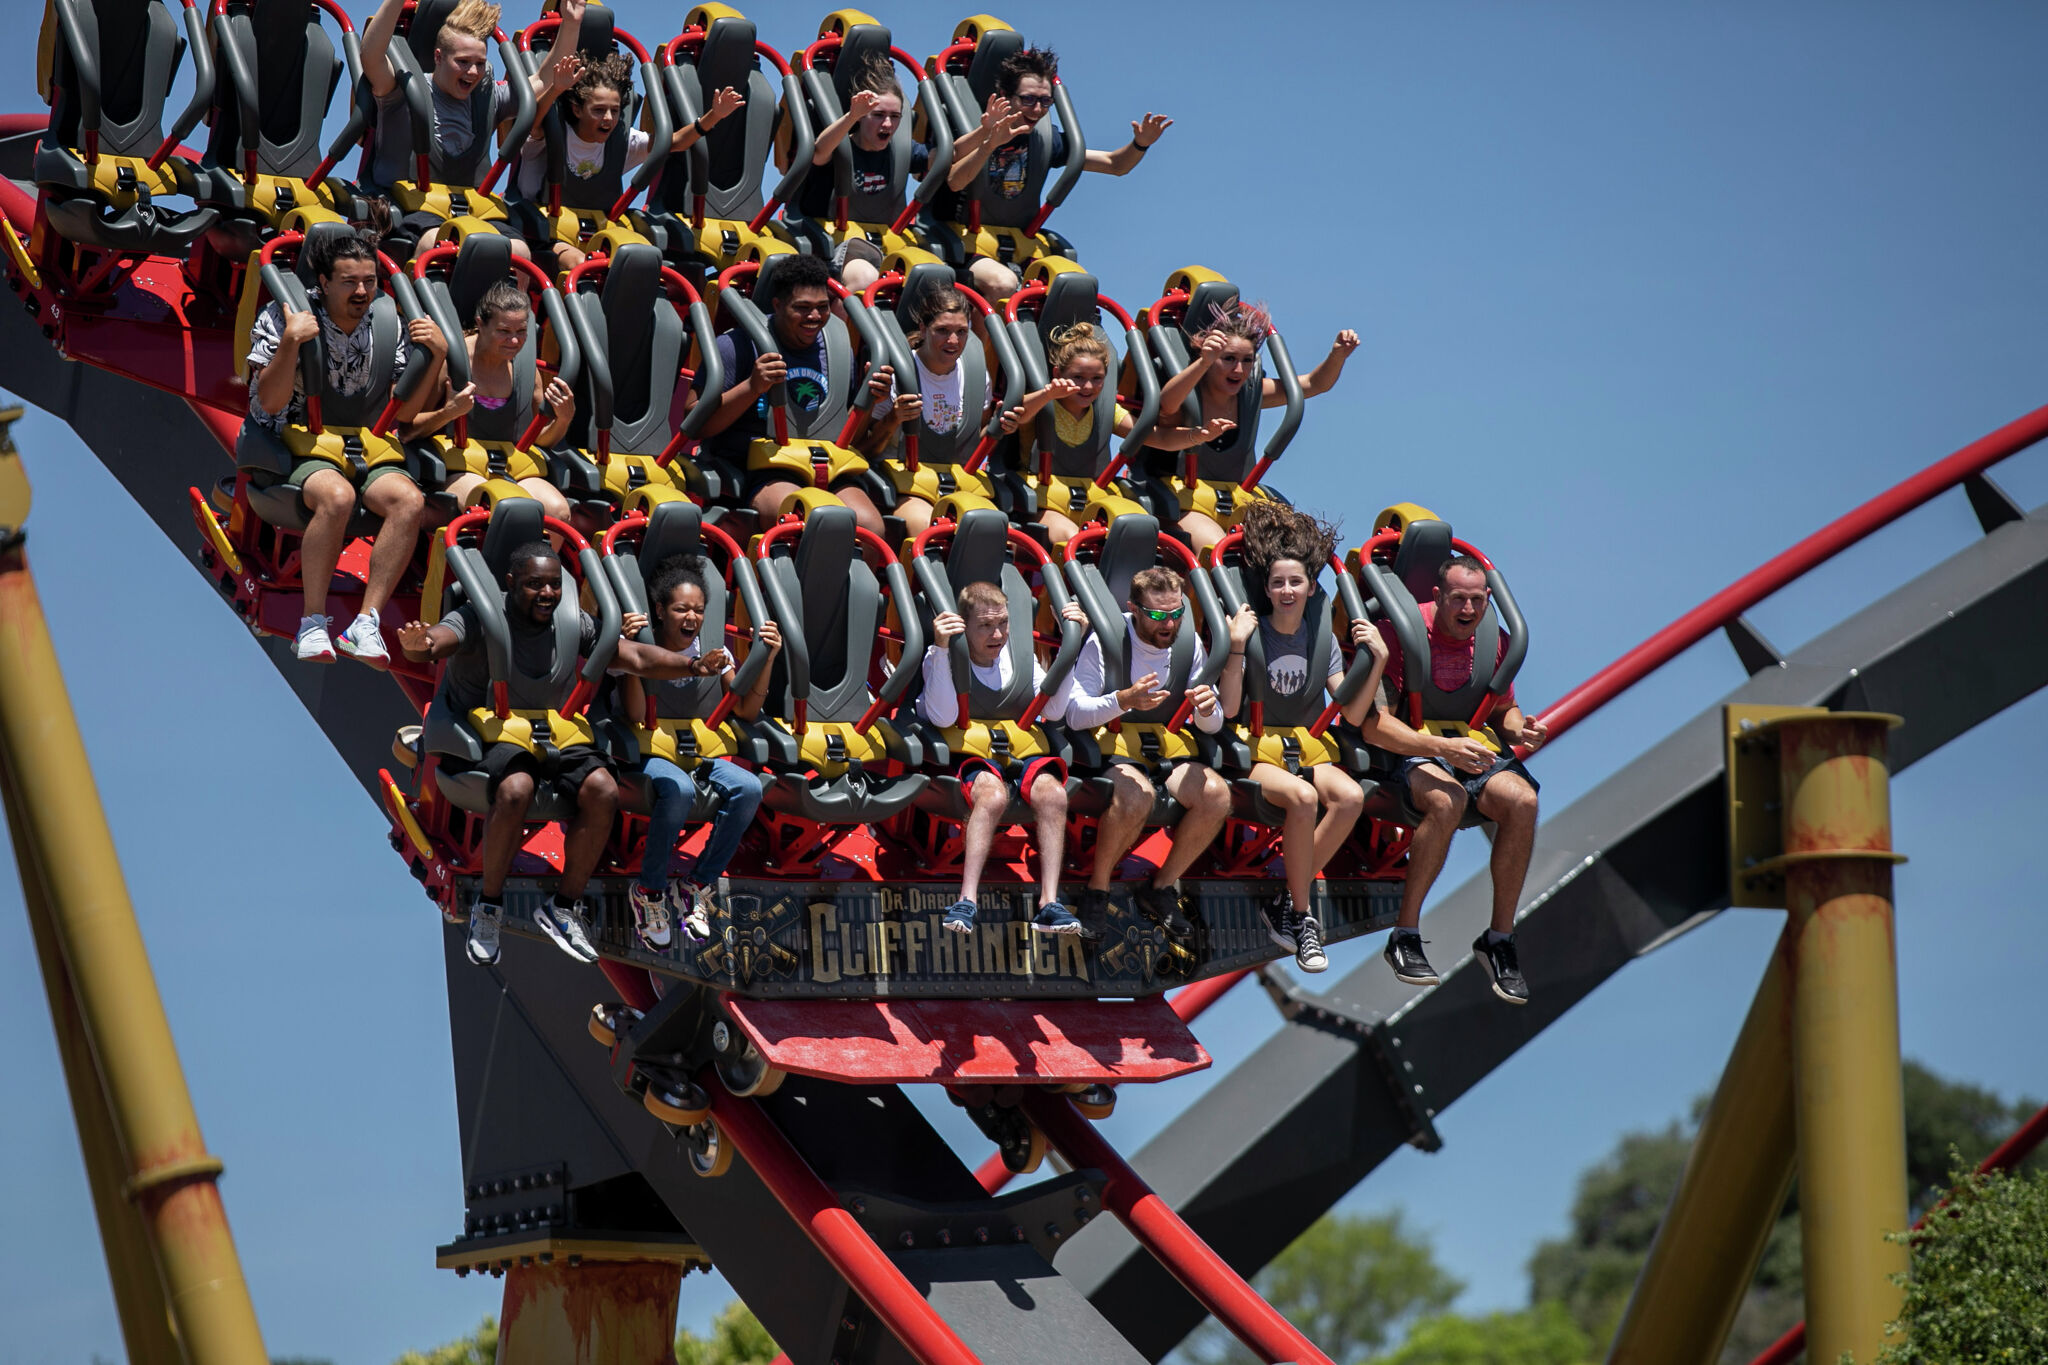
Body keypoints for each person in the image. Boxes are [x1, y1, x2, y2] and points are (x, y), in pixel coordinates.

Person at [396, 539, 703, 966]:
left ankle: (564, 906)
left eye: (554, 585)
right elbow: (438, 639)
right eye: (534, 585)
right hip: (489, 732)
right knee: (517, 788)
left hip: (550, 733)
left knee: (603, 788)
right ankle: (488, 905)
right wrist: (418, 643)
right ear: (510, 583)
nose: (547, 594)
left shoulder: (569, 619)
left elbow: (631, 655)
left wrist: (689, 664)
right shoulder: (481, 612)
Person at [244, 231, 439, 666]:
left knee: (409, 501)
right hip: (291, 441)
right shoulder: (283, 315)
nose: (362, 292)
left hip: (359, 444)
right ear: (324, 282)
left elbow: (404, 413)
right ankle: (313, 622)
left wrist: (436, 357)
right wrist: (292, 343)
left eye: (369, 281)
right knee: (338, 497)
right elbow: (268, 402)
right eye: (350, 282)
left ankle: (365, 623)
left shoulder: (386, 323)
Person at [1361, 556, 1545, 1004]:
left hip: (1467, 745)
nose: (1468, 609)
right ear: (1438, 597)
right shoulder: (1400, 635)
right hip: (1409, 747)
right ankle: (1404, 934)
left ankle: (1499, 939)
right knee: (1448, 801)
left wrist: (1521, 729)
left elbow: (1503, 710)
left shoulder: (1494, 642)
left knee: (1523, 802)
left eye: (1478, 600)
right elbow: (1373, 725)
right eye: (1458, 598)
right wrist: (1442, 749)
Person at [1227, 500, 1389, 973]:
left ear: (1311, 585)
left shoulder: (1318, 634)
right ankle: (1303, 917)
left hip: (1307, 745)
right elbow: (1232, 706)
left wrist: (1374, 661)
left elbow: (1351, 710)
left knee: (1350, 797)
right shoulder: (1252, 629)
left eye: (1295, 581)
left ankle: (1285, 897)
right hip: (1258, 746)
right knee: (1300, 798)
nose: (1286, 590)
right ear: (1268, 588)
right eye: (1277, 582)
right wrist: (1236, 646)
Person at [1059, 566, 1235, 943]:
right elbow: (1073, 713)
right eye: (1157, 615)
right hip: (1112, 747)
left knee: (1217, 795)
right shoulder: (1107, 640)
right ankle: (1098, 889)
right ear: (1134, 609)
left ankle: (1161, 887)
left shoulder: (1189, 644)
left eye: (1176, 614)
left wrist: (1207, 709)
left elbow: (1213, 721)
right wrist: (1123, 700)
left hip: (1166, 746)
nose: (1168, 624)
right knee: (1138, 797)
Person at [616, 556, 781, 950]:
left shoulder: (714, 653)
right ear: (660, 610)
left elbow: (746, 710)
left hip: (697, 752)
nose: (691, 617)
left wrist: (767, 659)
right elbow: (635, 714)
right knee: (679, 790)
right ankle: (650, 891)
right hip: (651, 752)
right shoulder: (642, 648)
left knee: (749, 788)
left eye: (698, 610)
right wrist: (633, 654)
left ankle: (698, 884)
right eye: (680, 609)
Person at [936, 47, 1172, 302]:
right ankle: (984, 344)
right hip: (965, 240)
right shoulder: (974, 129)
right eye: (1028, 99)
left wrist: (1140, 144)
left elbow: (1115, 165)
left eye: (1045, 101)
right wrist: (989, 141)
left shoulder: (1046, 139)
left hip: (1022, 243)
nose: (1037, 109)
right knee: (1003, 283)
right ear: (1006, 96)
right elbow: (954, 180)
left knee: (1075, 286)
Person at [918, 579, 1081, 937]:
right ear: (963, 624)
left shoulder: (1020, 659)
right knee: (992, 795)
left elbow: (1053, 710)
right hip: (968, 752)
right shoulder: (942, 657)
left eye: (1003, 623)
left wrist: (1071, 651)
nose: (997, 634)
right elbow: (943, 717)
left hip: (1019, 750)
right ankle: (967, 899)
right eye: (985, 626)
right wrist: (944, 648)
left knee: (1054, 794)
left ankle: (1049, 903)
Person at [360, 0, 586, 256]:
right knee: (436, 243)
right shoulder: (403, 89)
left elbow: (544, 80)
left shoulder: (487, 96)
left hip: (472, 209)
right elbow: (371, 56)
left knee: (520, 251)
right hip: (413, 208)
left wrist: (572, 23)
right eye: (463, 61)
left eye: (480, 63)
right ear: (438, 57)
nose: (473, 71)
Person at [1150, 302, 1363, 552]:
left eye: (1247, 360)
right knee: (1218, 547)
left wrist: (1336, 355)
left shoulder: (1250, 392)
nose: (1238, 370)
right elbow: (1166, 405)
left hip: (1238, 497)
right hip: (1185, 500)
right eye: (1228, 359)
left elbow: (1313, 384)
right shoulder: (1189, 388)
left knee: (1299, 547)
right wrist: (1203, 364)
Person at [697, 252, 885, 534]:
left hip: (825, 465)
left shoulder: (836, 350)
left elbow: (845, 436)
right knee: (799, 519)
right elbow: (697, 422)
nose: (814, 317)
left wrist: (870, 401)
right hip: (762, 468)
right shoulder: (737, 344)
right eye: (802, 307)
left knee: (870, 527)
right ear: (778, 304)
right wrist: (752, 387)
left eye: (822, 307)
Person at [1000, 322, 1234, 545]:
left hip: (1087, 500)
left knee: (1133, 532)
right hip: (1041, 502)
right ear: (1058, 373)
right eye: (1078, 377)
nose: (1088, 387)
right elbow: (1018, 413)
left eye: (1097, 379)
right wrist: (1048, 395)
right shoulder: (1045, 400)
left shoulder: (1105, 410)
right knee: (1072, 537)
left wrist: (1198, 435)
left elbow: (1155, 437)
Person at [518, 50, 743, 275]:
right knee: (580, 263)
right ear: (577, 109)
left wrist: (713, 116)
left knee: (643, 258)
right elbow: (535, 122)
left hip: (600, 233)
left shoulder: (621, 140)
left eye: (614, 111)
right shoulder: (554, 132)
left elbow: (672, 142)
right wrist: (556, 89)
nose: (608, 118)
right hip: (546, 232)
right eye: (598, 110)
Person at [407, 279, 576, 525]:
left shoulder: (527, 371)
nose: (515, 341)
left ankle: (536, 562)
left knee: (558, 511)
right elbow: (408, 428)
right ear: (480, 325)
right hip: (460, 467)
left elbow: (540, 440)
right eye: (504, 332)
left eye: (521, 332)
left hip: (511, 468)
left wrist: (564, 418)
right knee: (497, 505)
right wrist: (448, 412)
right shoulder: (453, 363)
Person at [852, 284, 993, 540]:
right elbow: (861, 451)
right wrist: (893, 419)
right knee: (931, 531)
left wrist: (998, 428)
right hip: (904, 483)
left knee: (992, 531)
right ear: (923, 329)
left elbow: (971, 443)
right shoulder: (899, 372)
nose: (953, 341)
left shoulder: (975, 376)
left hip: (953, 484)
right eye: (942, 331)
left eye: (961, 332)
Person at [778, 53, 925, 297]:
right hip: (836, 242)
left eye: (895, 117)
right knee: (864, 277)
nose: (887, 124)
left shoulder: (899, 151)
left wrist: (986, 135)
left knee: (929, 274)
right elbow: (818, 152)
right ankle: (845, 333)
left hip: (885, 243)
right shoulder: (841, 146)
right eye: (878, 115)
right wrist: (852, 116)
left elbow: (946, 155)